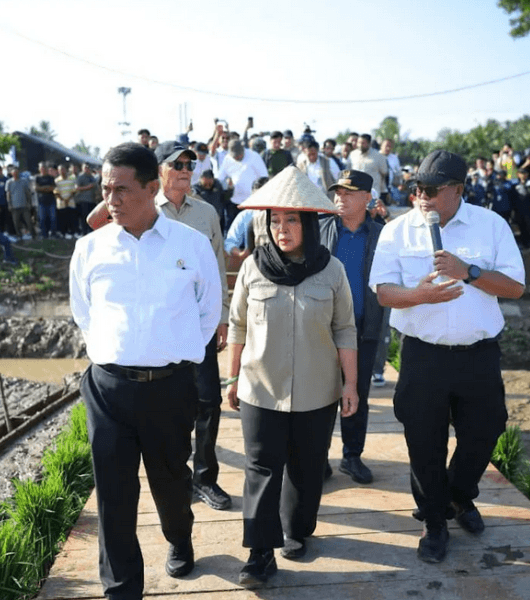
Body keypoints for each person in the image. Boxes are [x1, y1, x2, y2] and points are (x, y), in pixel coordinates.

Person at [69, 143, 221, 599]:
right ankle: (121, 589)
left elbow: (208, 312)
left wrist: (168, 350)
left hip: (169, 389)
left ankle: (179, 536)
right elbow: (85, 313)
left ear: (153, 189)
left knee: (172, 483)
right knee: (113, 497)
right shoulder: (89, 248)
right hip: (108, 389)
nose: (110, 200)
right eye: (105, 189)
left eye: (122, 189)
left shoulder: (190, 246)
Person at [367, 149, 525, 564]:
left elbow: (515, 287)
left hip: (478, 356)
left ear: (458, 189)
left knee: (486, 431)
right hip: (422, 358)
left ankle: (458, 496)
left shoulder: (491, 225)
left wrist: (467, 271)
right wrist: (419, 295)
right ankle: (435, 522)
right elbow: (383, 292)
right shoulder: (397, 231)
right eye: (417, 188)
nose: (423, 196)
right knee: (424, 442)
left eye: (432, 189)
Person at [226, 167, 358, 586]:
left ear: (309, 224)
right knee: (261, 469)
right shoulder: (252, 268)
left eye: (292, 220)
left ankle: (298, 530)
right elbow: (237, 325)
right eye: (275, 221)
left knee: (305, 468)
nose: (282, 229)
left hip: (318, 392)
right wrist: (231, 380)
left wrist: (351, 383)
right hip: (260, 389)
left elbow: (345, 328)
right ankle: (259, 553)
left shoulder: (331, 270)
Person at [148, 141, 233, 511]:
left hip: (199, 324)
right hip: (159, 327)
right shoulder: (145, 211)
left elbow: (217, 267)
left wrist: (224, 317)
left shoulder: (207, 213)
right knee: (168, 407)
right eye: (177, 163)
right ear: (160, 170)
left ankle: (205, 478)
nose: (185, 169)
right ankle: (175, 479)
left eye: (190, 163)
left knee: (209, 401)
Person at [318, 169, 385, 485]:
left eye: (348, 192)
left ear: (367, 198)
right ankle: (318, 457)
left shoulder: (382, 235)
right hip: (322, 328)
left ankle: (352, 456)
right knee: (319, 395)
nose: (339, 198)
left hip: (363, 326)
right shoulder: (319, 230)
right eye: (337, 192)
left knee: (357, 393)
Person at [5, 166, 35, 240]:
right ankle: (19, 235)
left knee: (28, 221)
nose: (15, 174)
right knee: (16, 222)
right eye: (14, 173)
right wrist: (9, 204)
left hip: (24, 205)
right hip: (14, 206)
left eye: (16, 172)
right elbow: (8, 194)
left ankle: (33, 235)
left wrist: (29, 203)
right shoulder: (9, 182)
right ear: (12, 173)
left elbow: (27, 193)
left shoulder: (24, 181)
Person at [34, 162, 58, 239]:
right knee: (42, 219)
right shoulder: (37, 178)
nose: (43, 169)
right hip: (41, 202)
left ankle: (53, 234)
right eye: (41, 168)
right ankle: (44, 234)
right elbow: (36, 188)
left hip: (51, 201)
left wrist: (42, 188)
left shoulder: (51, 178)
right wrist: (47, 188)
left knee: (53, 218)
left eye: (44, 168)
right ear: (39, 169)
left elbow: (52, 188)